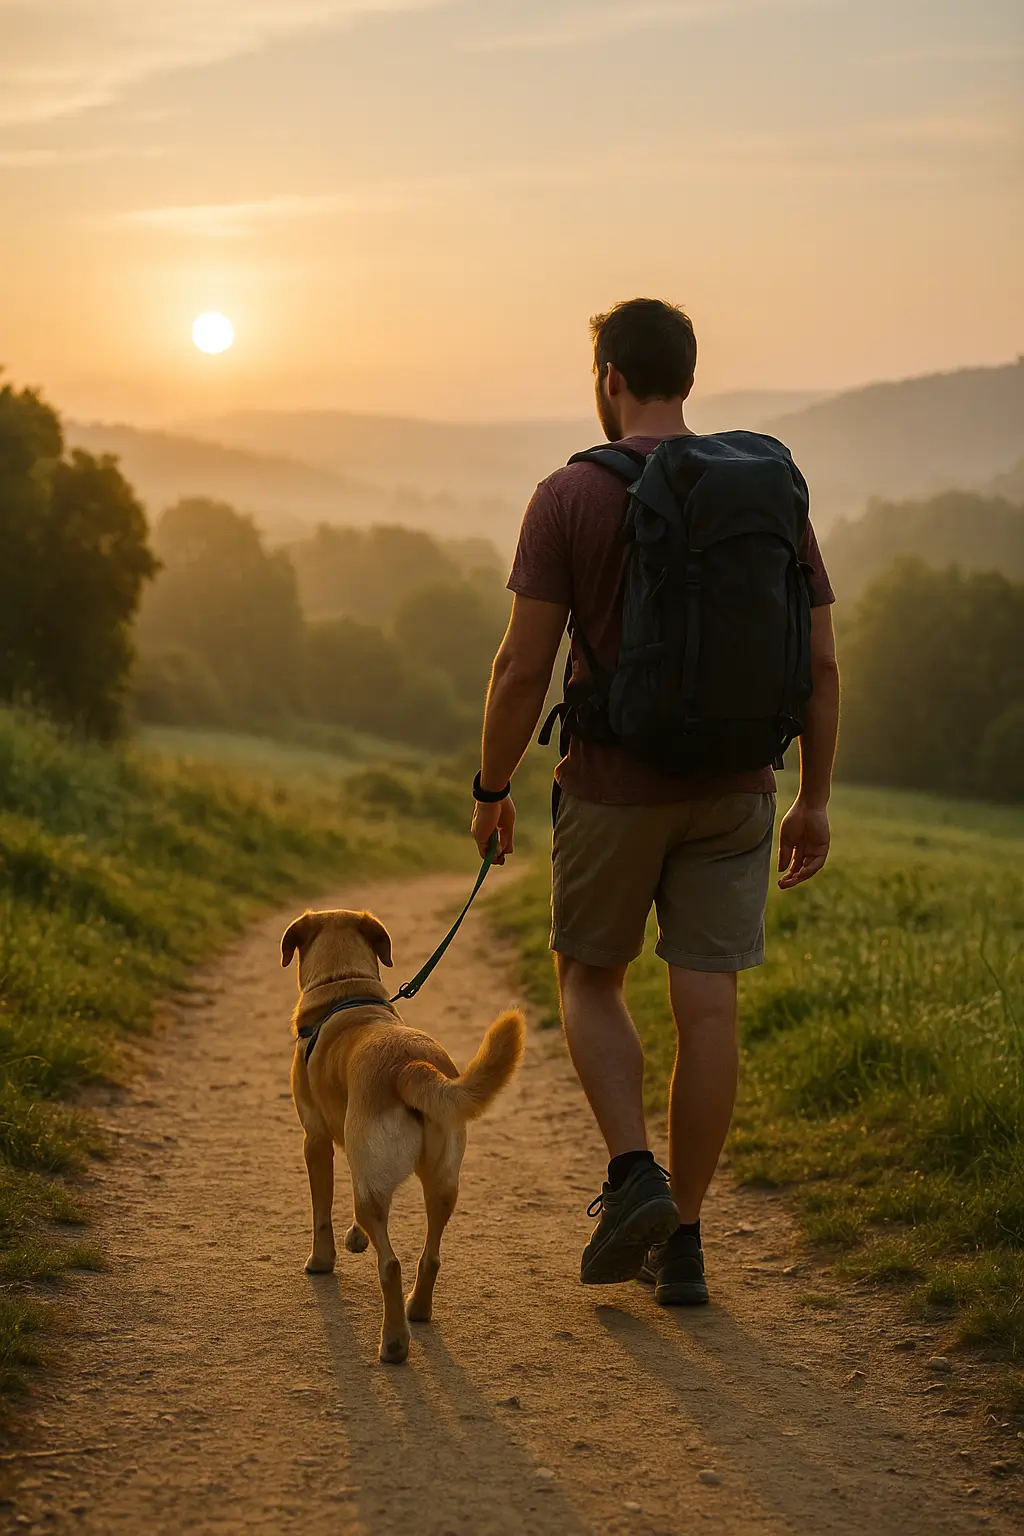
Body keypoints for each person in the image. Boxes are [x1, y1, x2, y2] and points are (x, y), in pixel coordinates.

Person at [471, 298, 839, 1304]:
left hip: (612, 784)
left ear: (608, 381)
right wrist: (812, 799)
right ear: (685, 374)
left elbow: (519, 668)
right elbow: (816, 662)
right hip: (737, 787)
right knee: (706, 1004)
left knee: (589, 979)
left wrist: (492, 786)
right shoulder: (766, 490)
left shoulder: (568, 495)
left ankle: (632, 1171)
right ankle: (684, 1241)